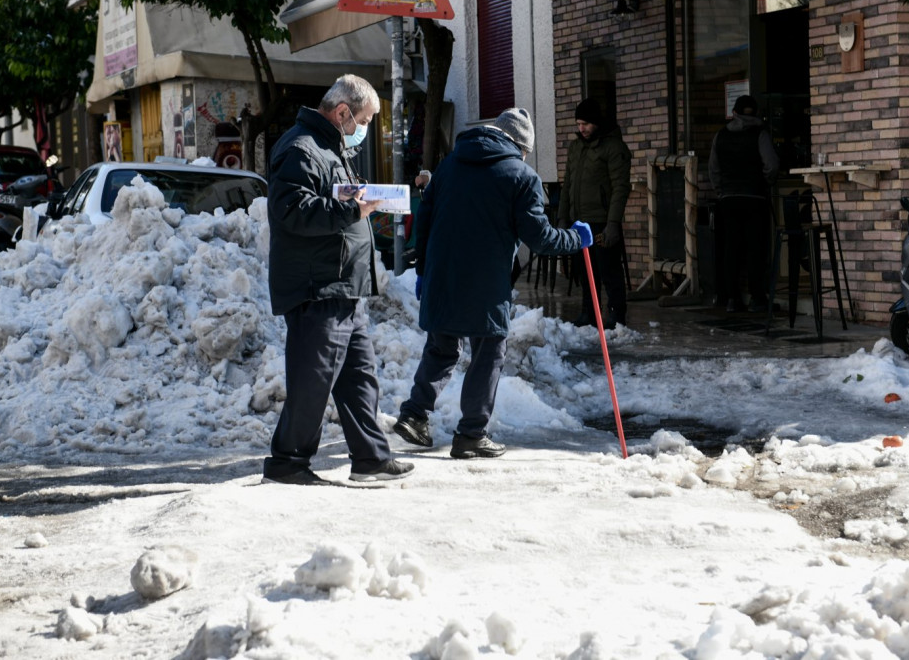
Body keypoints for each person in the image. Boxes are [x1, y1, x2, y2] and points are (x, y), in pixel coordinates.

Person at [392, 108, 593, 459]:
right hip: (486, 283)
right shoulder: (522, 176)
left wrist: (424, 270)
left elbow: (424, 219)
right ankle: (471, 435)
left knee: (442, 348)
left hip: (442, 274)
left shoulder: (450, 164)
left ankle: (414, 415)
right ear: (520, 146)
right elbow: (541, 239)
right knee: (487, 353)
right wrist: (576, 238)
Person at [262, 74, 414, 486]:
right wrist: (352, 210)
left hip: (345, 287)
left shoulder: (329, 148)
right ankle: (287, 463)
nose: (363, 131)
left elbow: (330, 201)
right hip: (319, 289)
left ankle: (370, 458)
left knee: (360, 378)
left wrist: (357, 203)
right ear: (343, 112)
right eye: (363, 120)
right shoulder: (301, 148)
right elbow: (291, 211)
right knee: (313, 382)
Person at [557, 98, 632, 329]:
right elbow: (568, 183)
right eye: (579, 124)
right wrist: (562, 216)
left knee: (609, 270)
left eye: (586, 124)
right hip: (579, 221)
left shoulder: (612, 147)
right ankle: (589, 313)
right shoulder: (576, 147)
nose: (582, 129)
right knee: (585, 271)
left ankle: (616, 316)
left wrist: (613, 223)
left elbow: (620, 186)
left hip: (602, 220)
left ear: (597, 122)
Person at [708, 94, 780, 313]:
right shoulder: (760, 133)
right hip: (755, 197)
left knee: (731, 249)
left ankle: (732, 298)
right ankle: (758, 298)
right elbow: (772, 165)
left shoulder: (721, 135)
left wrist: (722, 192)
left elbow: (713, 168)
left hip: (729, 199)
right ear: (756, 113)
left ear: (735, 113)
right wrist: (765, 182)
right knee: (755, 249)